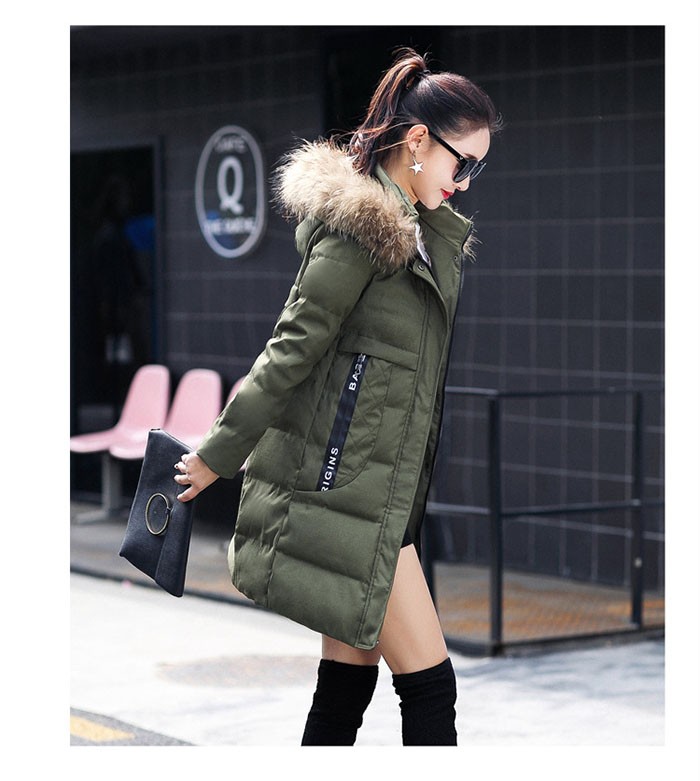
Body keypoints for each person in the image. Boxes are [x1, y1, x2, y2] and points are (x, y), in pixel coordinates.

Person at [174, 47, 501, 746]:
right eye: (462, 163)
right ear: (419, 141)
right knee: (431, 688)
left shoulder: (418, 234)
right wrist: (216, 455)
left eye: (476, 167)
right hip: (350, 496)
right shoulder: (362, 232)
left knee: (346, 686)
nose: (465, 182)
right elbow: (289, 349)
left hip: (378, 494)